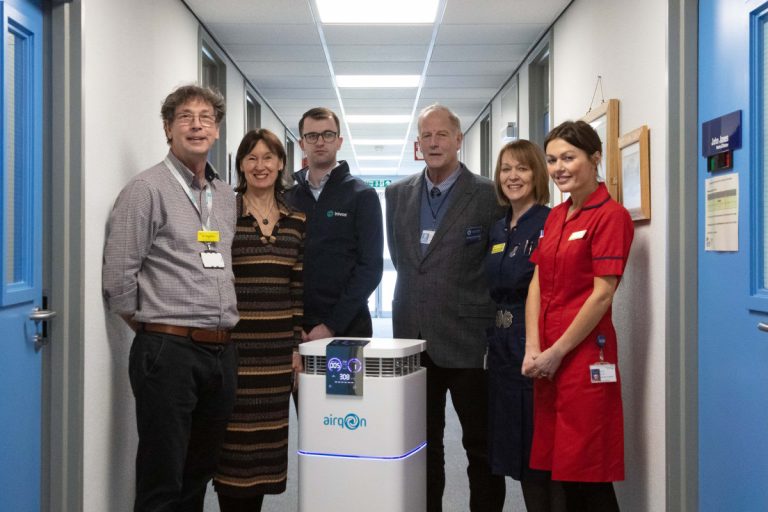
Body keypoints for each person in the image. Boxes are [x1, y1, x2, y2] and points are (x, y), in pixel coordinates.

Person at [102, 85, 238, 512]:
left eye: (206, 118)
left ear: (216, 131)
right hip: (169, 351)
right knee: (163, 478)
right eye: (185, 117)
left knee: (198, 474)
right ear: (168, 128)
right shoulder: (147, 188)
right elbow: (119, 280)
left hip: (220, 352)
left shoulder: (226, 196)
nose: (197, 125)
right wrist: (158, 330)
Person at [385, 103, 506, 512]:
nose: (434, 143)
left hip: (469, 338)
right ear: (418, 145)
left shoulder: (490, 195)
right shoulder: (397, 194)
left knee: (481, 446)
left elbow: (497, 264)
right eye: (425, 136)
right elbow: (404, 261)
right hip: (412, 341)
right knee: (422, 444)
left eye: (441, 135)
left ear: (459, 139)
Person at [523, 120, 634, 511]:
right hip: (548, 354)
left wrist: (557, 351)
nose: (559, 168)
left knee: (588, 472)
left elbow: (602, 294)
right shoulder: (556, 216)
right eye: (552, 160)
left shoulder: (611, 216)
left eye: (568, 157)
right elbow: (537, 282)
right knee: (560, 469)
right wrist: (533, 347)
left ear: (596, 158)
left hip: (585, 356)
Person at [212, 129, 305, 511]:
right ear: (240, 166)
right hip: (235, 350)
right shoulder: (223, 214)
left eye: (268, 157)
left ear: (282, 164)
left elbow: (297, 287)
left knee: (266, 450)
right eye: (251, 158)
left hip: (277, 353)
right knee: (233, 451)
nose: (260, 166)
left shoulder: (296, 219)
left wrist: (297, 346)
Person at [486, 140, 565, 512]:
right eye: (505, 169)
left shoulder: (551, 221)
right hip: (501, 346)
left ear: (536, 174)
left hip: (533, 338)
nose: (512, 177)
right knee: (511, 443)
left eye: (521, 168)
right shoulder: (499, 228)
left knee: (539, 447)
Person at [285, 107, 383, 341]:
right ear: (302, 143)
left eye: (328, 135)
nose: (320, 142)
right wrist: (292, 322)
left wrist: (331, 325)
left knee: (346, 380)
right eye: (312, 136)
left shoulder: (362, 195)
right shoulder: (288, 198)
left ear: (339, 141)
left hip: (348, 327)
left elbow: (370, 268)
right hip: (296, 330)